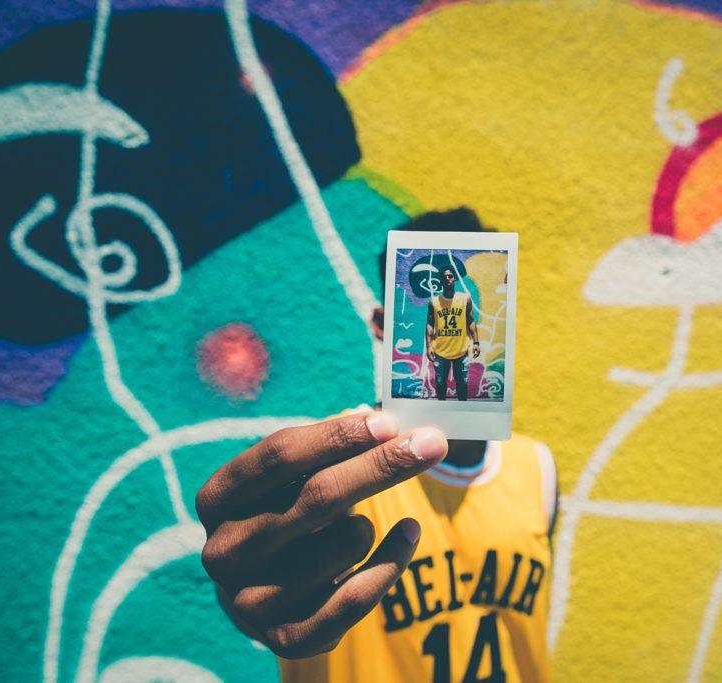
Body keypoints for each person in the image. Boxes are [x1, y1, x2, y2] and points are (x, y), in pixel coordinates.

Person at [197, 208, 556, 682]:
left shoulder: (537, 468)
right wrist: (246, 594)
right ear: (384, 325)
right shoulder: (323, 469)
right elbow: (263, 584)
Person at [426, 265, 480, 401]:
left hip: (461, 350)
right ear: (441, 281)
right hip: (440, 350)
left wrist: (476, 342)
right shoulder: (434, 302)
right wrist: (429, 346)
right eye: (445, 277)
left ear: (454, 279)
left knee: (462, 383)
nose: (448, 279)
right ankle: (441, 409)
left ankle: (463, 408)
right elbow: (430, 325)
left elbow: (471, 321)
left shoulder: (465, 299)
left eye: (450, 276)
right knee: (440, 383)